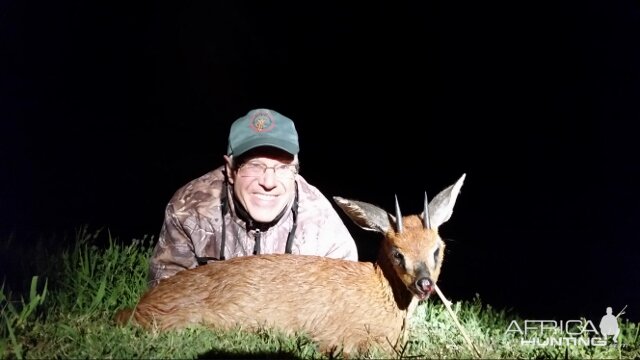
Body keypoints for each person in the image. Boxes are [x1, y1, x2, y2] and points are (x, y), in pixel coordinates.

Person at [148, 108, 359, 287]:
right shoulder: (190, 209)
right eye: (254, 165)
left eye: (282, 167)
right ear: (230, 170)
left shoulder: (324, 228)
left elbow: (340, 307)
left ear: (296, 170)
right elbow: (165, 291)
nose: (268, 182)